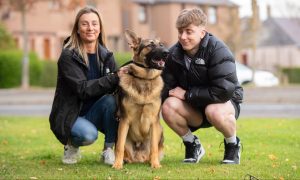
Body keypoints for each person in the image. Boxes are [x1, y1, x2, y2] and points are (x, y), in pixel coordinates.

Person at [161, 8, 244, 164]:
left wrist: (187, 95)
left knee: (213, 110)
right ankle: (192, 144)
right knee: (168, 106)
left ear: (202, 32)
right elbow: (166, 88)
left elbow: (223, 91)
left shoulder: (219, 50)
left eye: (189, 31)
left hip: (223, 104)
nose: (183, 37)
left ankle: (233, 144)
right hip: (194, 108)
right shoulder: (173, 54)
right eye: (180, 32)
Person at [49, 6, 126, 165]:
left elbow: (116, 87)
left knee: (112, 102)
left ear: (100, 28)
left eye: (94, 24)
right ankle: (71, 145)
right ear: (77, 29)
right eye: (84, 24)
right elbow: (82, 89)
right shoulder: (69, 56)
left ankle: (108, 150)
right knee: (88, 135)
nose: (90, 28)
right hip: (71, 115)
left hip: (95, 112)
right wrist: (113, 78)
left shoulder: (106, 56)